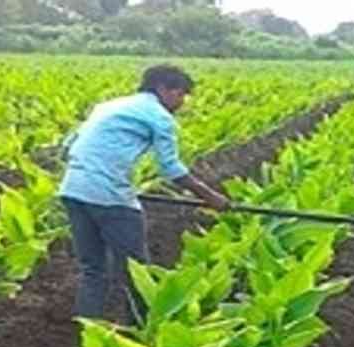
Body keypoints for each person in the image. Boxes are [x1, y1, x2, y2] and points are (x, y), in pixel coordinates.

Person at [58, 64, 229, 322]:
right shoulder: (159, 116)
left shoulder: (109, 106)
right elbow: (171, 169)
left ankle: (86, 326)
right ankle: (141, 328)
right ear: (162, 89)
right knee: (137, 270)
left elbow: (66, 147)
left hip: (73, 190)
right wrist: (210, 197)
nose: (182, 102)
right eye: (180, 94)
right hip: (109, 196)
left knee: (92, 268)